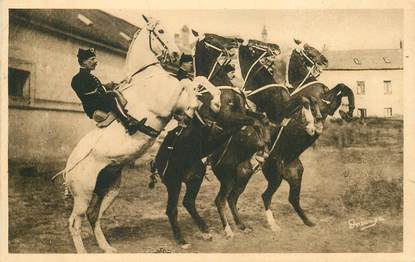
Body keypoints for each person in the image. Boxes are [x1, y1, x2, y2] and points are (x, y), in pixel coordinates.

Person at [71, 48, 158, 136]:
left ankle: (141, 127)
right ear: (84, 61)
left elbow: (97, 89)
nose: (96, 61)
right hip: (93, 107)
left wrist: (108, 86)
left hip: (99, 102)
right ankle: (128, 124)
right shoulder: (77, 79)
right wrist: (105, 89)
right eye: (92, 59)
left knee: (117, 93)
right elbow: (86, 94)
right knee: (111, 96)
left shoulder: (88, 76)